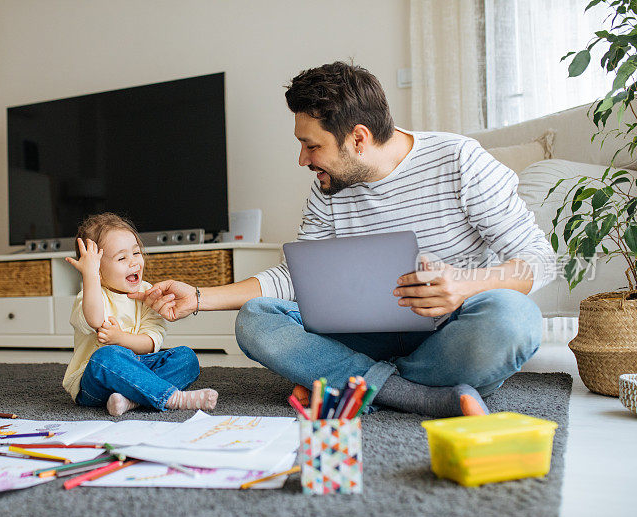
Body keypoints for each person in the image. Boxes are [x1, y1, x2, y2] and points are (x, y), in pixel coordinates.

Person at [130, 61, 552, 418]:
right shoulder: (327, 188)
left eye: (311, 146)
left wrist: (465, 284)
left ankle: (343, 379)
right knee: (256, 319)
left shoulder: (461, 161)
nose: (303, 160)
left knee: (514, 320)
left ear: (359, 138)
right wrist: (200, 297)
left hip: (448, 331)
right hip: (360, 333)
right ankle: (416, 394)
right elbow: (295, 278)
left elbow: (540, 260)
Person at [63, 212, 218, 416]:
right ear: (97, 270)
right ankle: (171, 397)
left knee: (186, 357)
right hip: (95, 382)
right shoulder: (90, 295)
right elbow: (95, 320)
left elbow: (152, 343)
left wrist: (120, 338)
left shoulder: (147, 292)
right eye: (121, 257)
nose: (134, 262)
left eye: (136, 253)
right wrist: (89, 275)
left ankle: (132, 399)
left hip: (139, 369)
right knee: (106, 356)